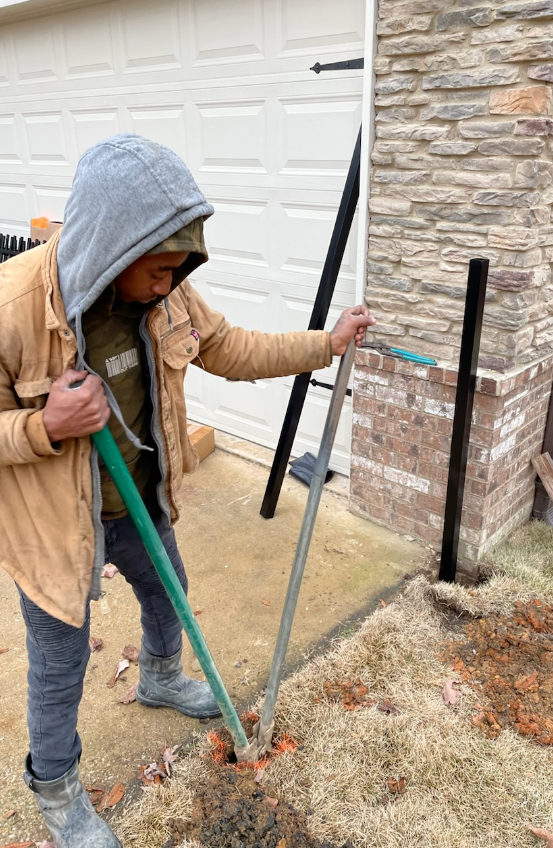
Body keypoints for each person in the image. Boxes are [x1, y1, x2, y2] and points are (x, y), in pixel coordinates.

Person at [0, 133, 375, 848]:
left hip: (139, 499)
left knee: (168, 587)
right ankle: (56, 790)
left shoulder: (169, 297)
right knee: (59, 660)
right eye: (160, 267)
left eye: (180, 267)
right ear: (112, 247)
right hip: (52, 528)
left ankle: (162, 678)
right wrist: (44, 424)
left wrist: (323, 344)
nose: (170, 283)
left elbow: (231, 348)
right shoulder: (13, 306)